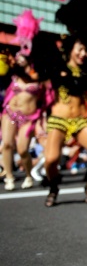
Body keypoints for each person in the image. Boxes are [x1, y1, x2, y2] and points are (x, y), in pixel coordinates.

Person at [40, 34, 87, 207]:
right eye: (80, 49)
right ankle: (54, 186)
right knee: (50, 160)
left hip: (80, 120)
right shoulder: (56, 68)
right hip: (58, 120)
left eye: (86, 50)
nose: (83, 53)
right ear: (70, 50)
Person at [1, 10, 52, 190]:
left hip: (29, 118)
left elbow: (48, 99)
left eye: (22, 56)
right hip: (10, 112)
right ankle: (9, 177)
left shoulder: (39, 75)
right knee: (7, 145)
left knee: (22, 149)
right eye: (18, 56)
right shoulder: (13, 71)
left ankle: (29, 175)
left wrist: (44, 119)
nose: (19, 58)